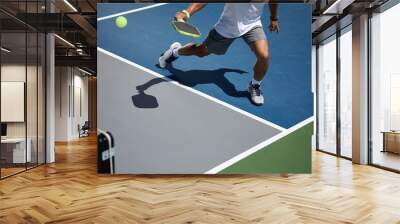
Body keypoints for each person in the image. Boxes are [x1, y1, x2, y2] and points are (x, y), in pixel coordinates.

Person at [159, 3, 279, 105]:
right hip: (227, 27)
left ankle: (255, 85)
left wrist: (274, 18)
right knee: (200, 52)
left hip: (252, 25)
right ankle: (175, 51)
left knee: (264, 56)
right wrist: (186, 12)